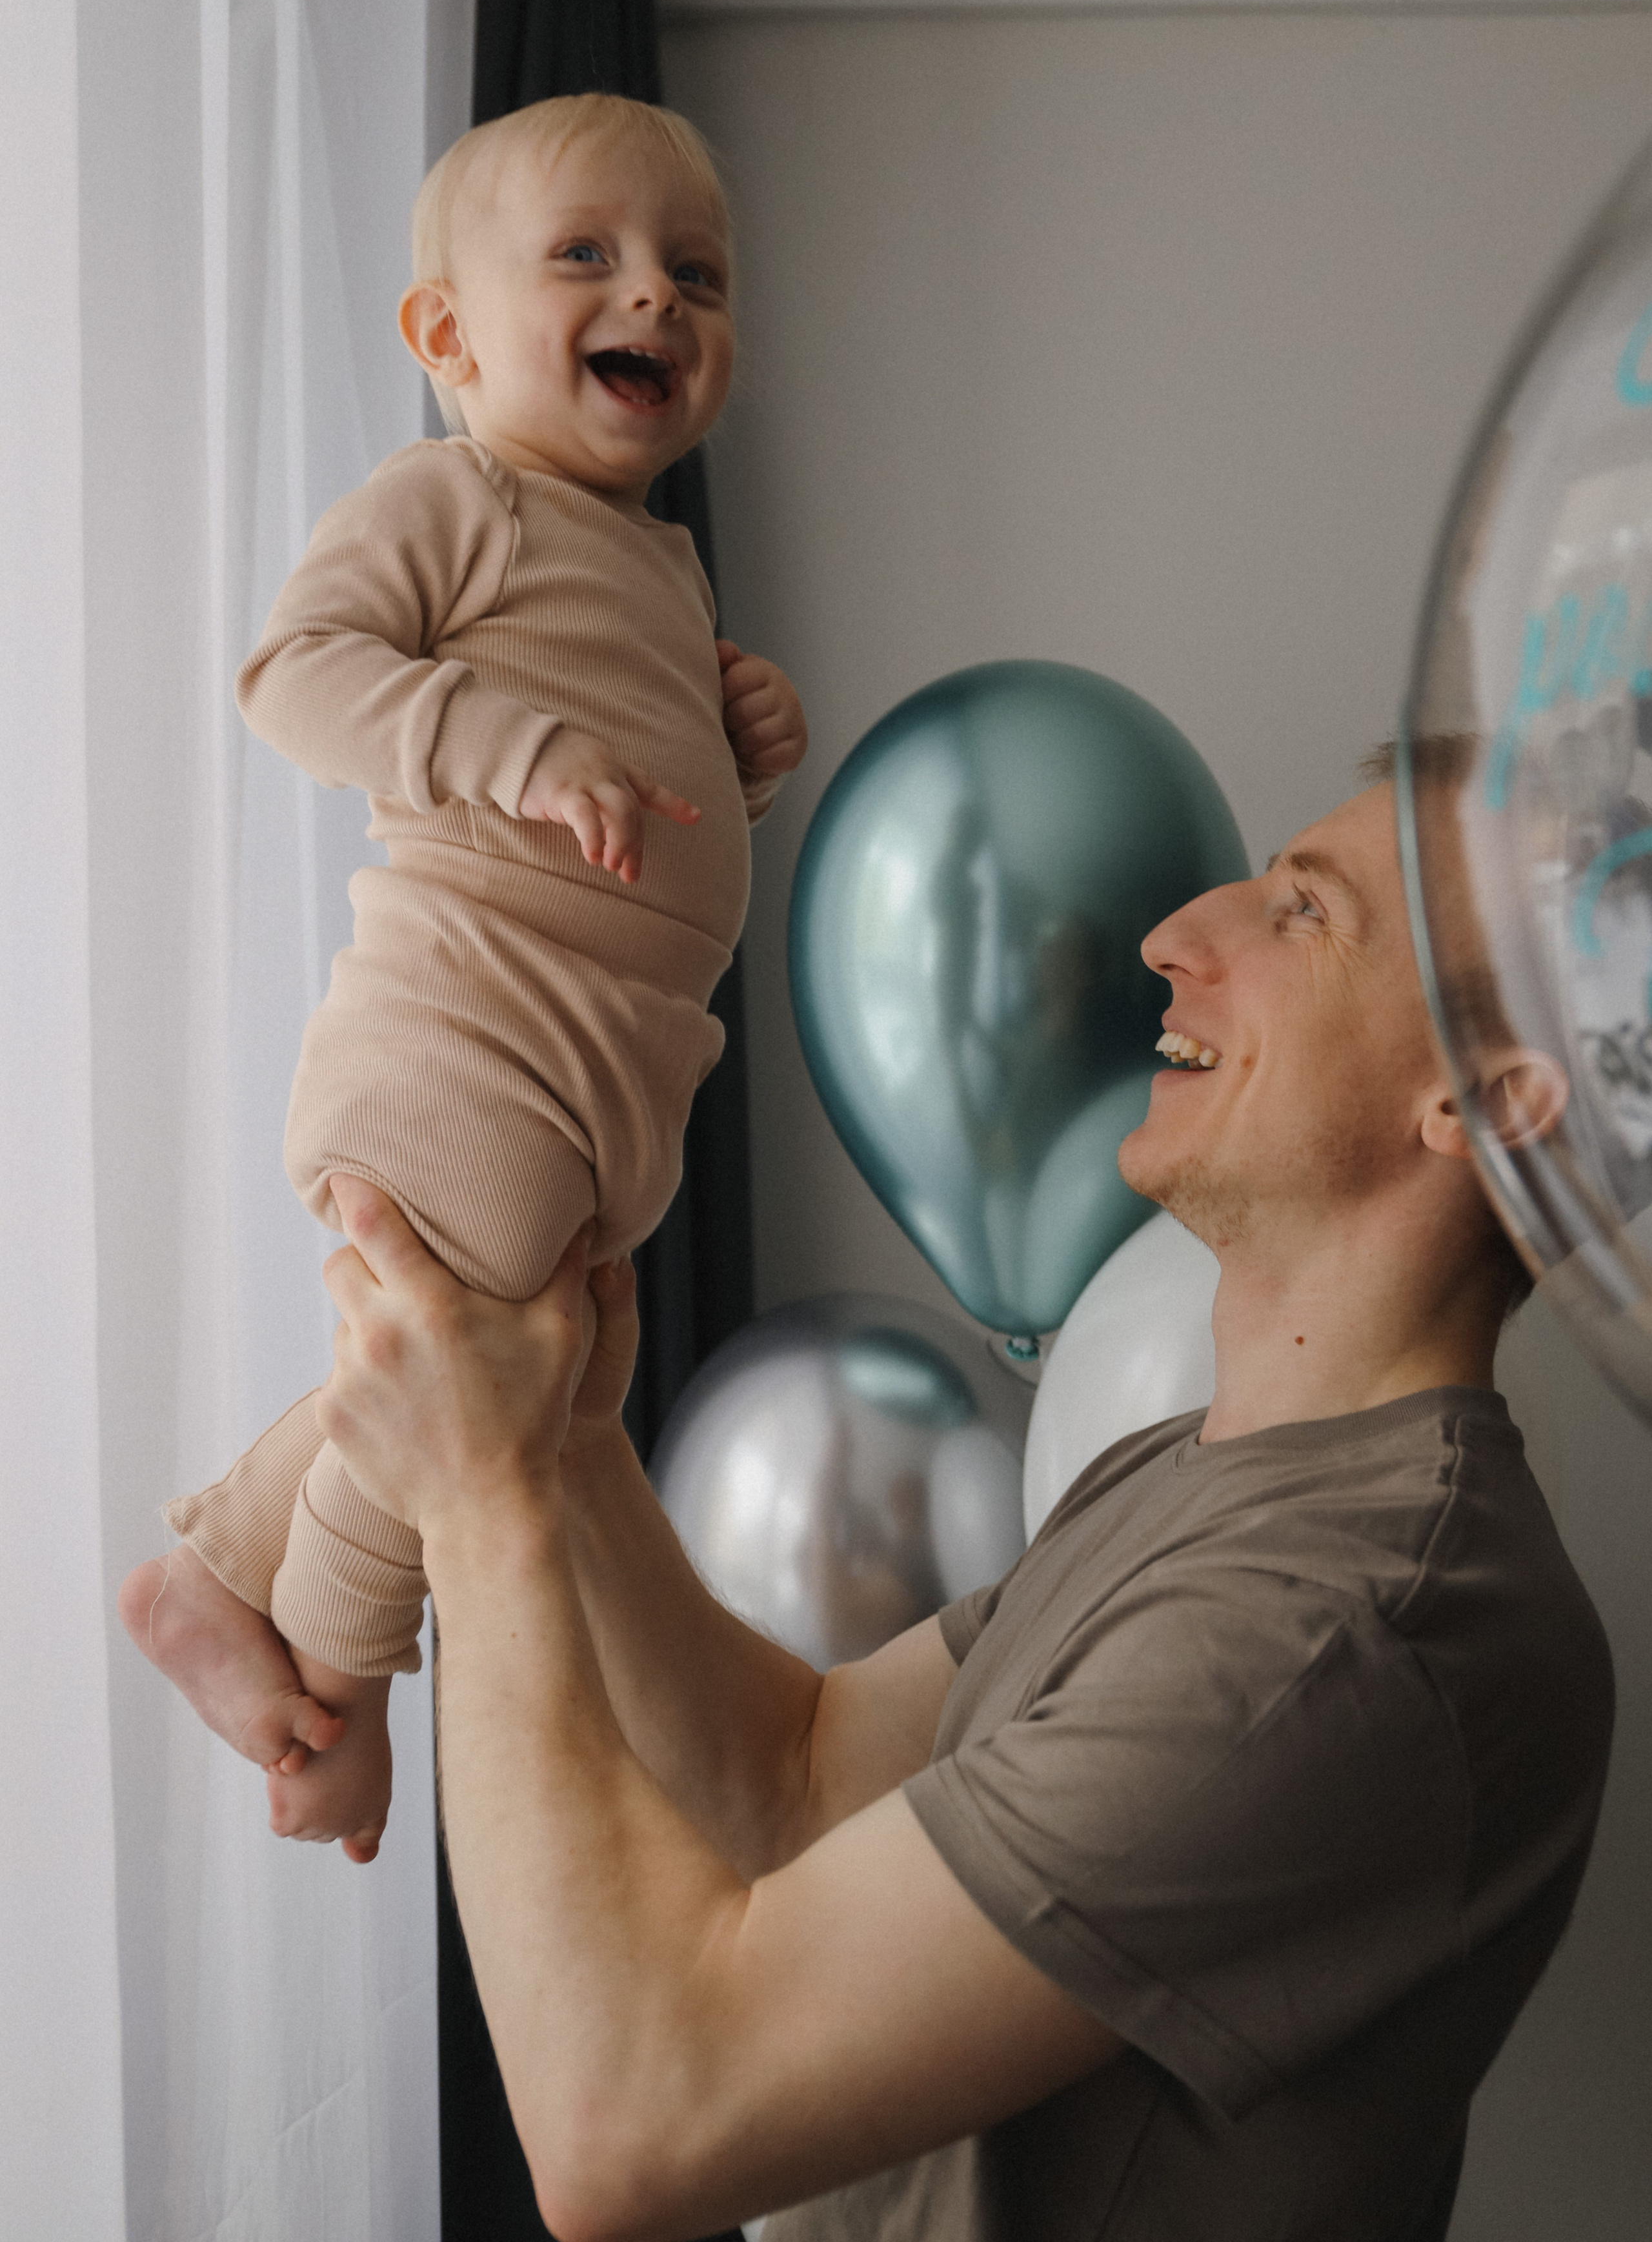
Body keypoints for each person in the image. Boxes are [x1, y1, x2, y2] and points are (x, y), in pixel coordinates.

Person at [301, 773, 1617, 2240]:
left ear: (1485, 1098)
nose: (1176, 934)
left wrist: (486, 1508)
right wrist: (565, 1447)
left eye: (1304, 912)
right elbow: (793, 1782)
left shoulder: (1356, 1625)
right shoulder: (1192, 1472)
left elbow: (633, 2124)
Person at [119, 92, 808, 1863]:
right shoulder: (460, 497)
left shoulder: (651, 555)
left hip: (591, 1064)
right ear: (447, 335)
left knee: (519, 1367)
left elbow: (632, 800)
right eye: (586, 256)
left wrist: (730, 742)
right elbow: (294, 670)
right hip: (468, 1036)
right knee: (474, 1377)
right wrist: (497, 745)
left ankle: (214, 1567)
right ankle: (331, 1693)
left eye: (696, 272)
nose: (652, 294)